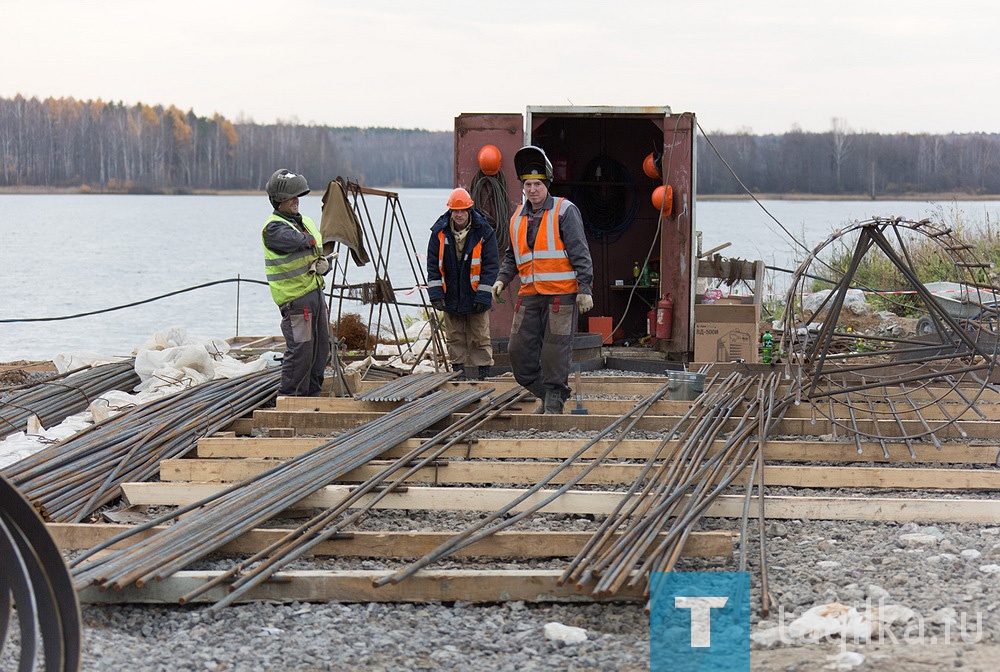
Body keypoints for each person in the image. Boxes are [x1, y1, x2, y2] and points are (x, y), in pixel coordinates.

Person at [491, 146, 594, 414]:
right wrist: (502, 279)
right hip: (530, 294)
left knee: (554, 352)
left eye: (537, 184)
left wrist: (585, 288)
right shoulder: (517, 217)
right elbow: (512, 256)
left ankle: (553, 402)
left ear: (546, 184)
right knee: (518, 352)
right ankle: (547, 394)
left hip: (562, 294)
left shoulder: (564, 211)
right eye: (527, 184)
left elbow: (580, 252)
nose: (532, 189)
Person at [262, 168, 332, 396]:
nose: (296, 201)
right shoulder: (273, 227)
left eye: (297, 197)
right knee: (301, 349)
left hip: (314, 293)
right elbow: (295, 241)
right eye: (291, 197)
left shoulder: (306, 222)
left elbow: (313, 249)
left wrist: (323, 265)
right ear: (279, 201)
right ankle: (290, 397)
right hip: (296, 301)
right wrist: (310, 241)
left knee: (321, 349)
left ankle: (311, 395)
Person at [426, 187, 499, 380]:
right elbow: (432, 265)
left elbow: (491, 266)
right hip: (450, 293)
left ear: (469, 210)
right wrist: (436, 294)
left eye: (462, 210)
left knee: (480, 336)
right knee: (454, 335)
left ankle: (483, 375)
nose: (459, 215)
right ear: (450, 211)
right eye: (455, 211)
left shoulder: (484, 231)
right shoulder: (439, 232)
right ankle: (458, 375)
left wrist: (484, 294)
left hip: (475, 294)